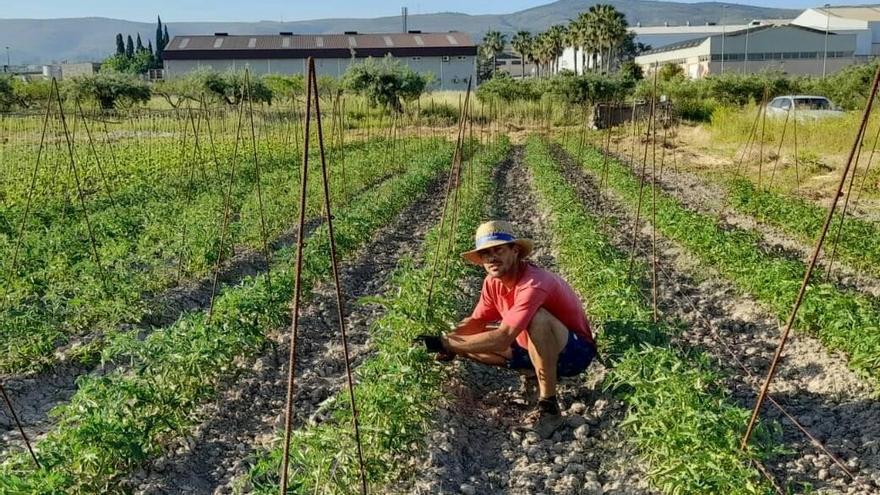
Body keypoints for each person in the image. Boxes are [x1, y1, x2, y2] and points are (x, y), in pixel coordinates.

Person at [415, 220, 596, 438]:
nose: (491, 258)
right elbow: (476, 321)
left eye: (498, 250)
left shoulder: (534, 283)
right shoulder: (493, 283)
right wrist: (448, 340)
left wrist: (442, 343)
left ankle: (549, 408)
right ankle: (533, 374)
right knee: (471, 343)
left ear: (515, 250)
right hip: (529, 347)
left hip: (574, 352)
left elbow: (502, 338)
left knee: (537, 319)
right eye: (485, 254)